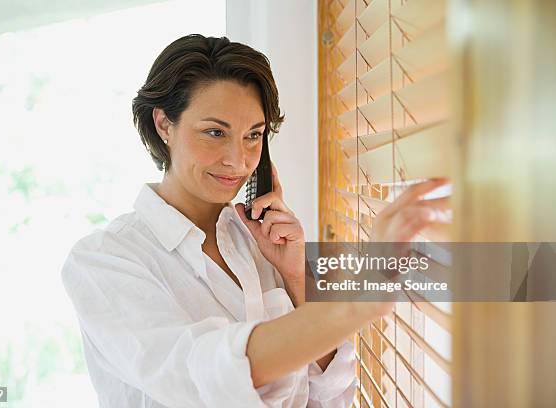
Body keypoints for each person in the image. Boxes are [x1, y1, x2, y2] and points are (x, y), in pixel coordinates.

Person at [61, 34, 450, 408]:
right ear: (164, 125)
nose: (239, 160)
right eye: (215, 132)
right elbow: (202, 375)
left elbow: (331, 398)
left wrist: (298, 280)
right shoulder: (104, 261)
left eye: (254, 135)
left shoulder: (261, 243)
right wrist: (359, 300)